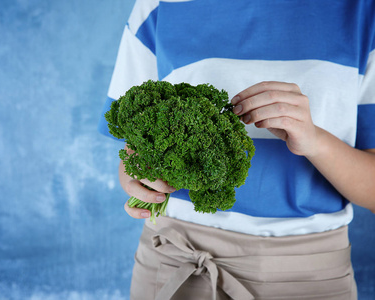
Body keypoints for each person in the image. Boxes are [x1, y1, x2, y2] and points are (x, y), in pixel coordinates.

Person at [98, 0, 375, 299]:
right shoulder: (160, 5)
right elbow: (133, 146)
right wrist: (138, 178)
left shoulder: (364, 12)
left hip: (306, 277)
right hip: (173, 262)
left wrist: (315, 141)